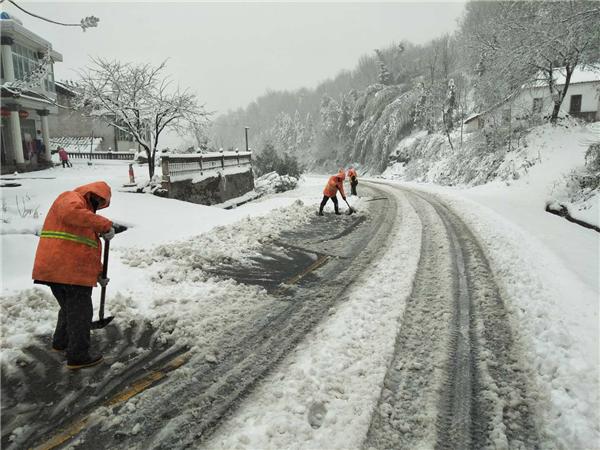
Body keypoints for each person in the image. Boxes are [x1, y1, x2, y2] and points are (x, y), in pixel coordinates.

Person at [32, 181, 115, 369]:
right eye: (99, 202)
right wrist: (104, 225)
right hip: (65, 270)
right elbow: (71, 213)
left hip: (61, 270)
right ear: (94, 195)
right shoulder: (71, 198)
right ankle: (78, 356)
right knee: (80, 312)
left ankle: (61, 342)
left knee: (70, 307)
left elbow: (86, 252)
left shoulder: (84, 219)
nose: (97, 207)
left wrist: (99, 274)